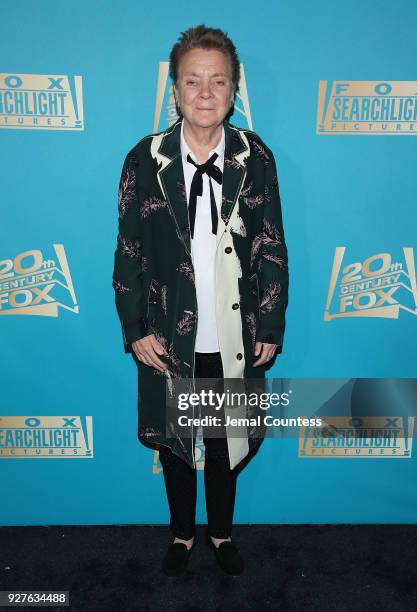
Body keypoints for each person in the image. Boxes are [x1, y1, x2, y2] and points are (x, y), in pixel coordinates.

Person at [112, 24, 289, 577]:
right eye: (193, 81)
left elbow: (272, 249)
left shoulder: (255, 157)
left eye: (218, 81)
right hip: (168, 333)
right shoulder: (145, 160)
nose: (206, 92)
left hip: (234, 334)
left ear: (234, 90)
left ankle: (221, 533)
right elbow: (128, 252)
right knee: (176, 446)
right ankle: (183, 535)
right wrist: (136, 325)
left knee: (223, 440)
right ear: (175, 90)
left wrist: (271, 323)